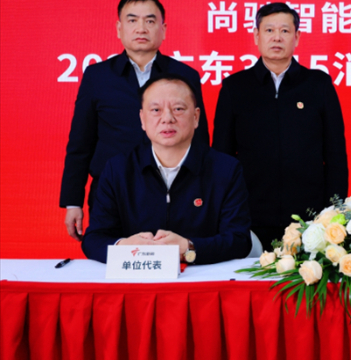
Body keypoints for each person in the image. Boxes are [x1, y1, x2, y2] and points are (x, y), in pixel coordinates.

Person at [60, 0, 209, 241]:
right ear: (119, 29)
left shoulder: (185, 76)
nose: (141, 28)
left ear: (163, 29)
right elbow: (80, 143)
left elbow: (200, 141)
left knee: (176, 260)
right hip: (112, 193)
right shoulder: (97, 77)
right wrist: (72, 201)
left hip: (174, 194)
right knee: (112, 259)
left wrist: (204, 195)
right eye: (132, 20)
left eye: (150, 21)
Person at [212, 2, 348, 250]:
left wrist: (334, 212)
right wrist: (226, 211)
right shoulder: (235, 87)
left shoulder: (318, 85)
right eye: (269, 30)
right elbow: (222, 156)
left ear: (297, 37)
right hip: (249, 215)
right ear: (256, 36)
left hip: (311, 218)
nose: (277, 37)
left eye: (285, 31)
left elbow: (335, 154)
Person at [82, 74, 251, 264]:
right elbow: (93, 239)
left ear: (196, 117)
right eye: (156, 110)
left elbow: (239, 240)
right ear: (142, 119)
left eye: (178, 109)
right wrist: (124, 247)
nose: (167, 119)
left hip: (201, 277)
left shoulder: (226, 169)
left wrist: (189, 248)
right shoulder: (118, 169)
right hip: (137, 276)